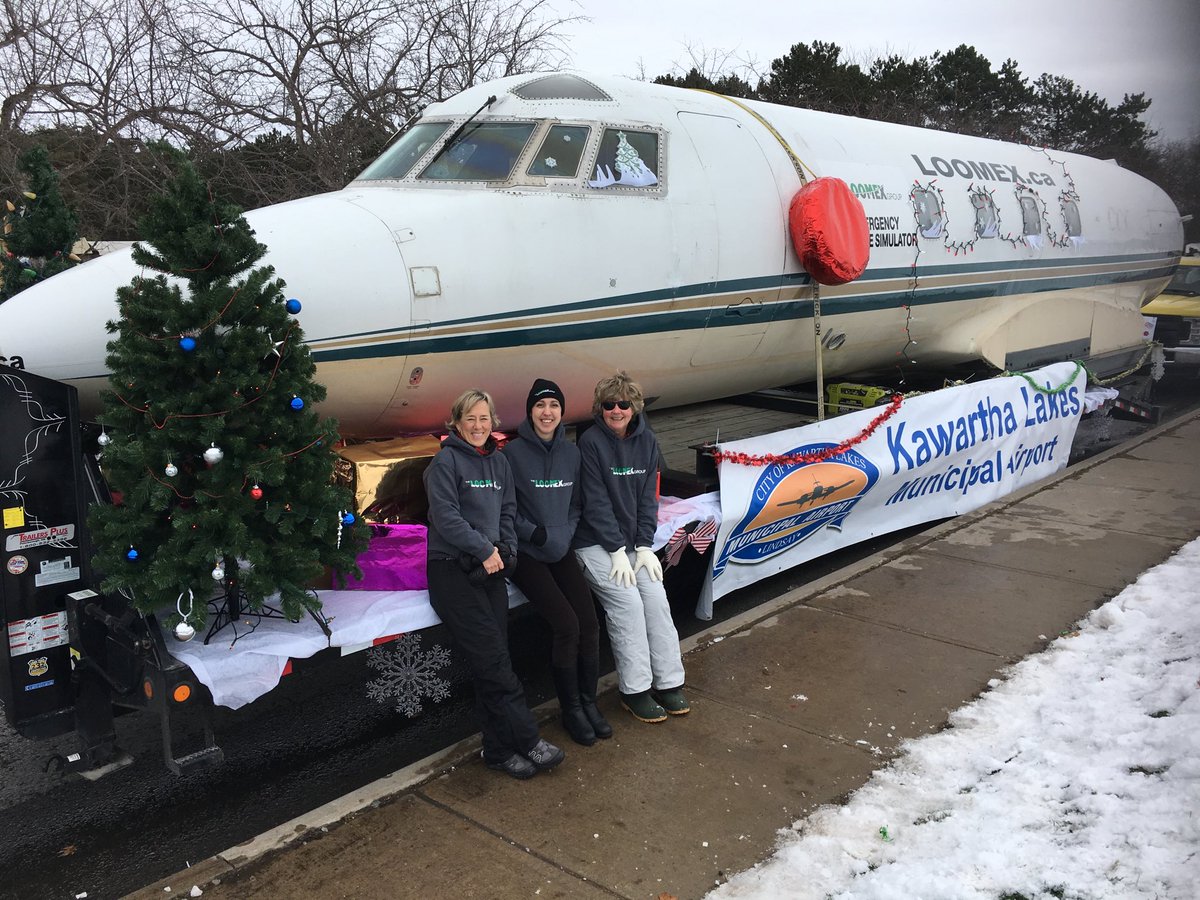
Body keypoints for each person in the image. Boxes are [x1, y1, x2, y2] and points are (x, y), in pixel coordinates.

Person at [423, 388, 565, 779]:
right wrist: (485, 549)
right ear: (456, 422)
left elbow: (508, 510)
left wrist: (506, 549)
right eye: (470, 418)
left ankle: (499, 750)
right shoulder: (445, 462)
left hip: (490, 566)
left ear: (493, 422)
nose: (478, 425)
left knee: (494, 659)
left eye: (484, 418)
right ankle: (528, 739)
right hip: (452, 569)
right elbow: (445, 517)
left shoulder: (499, 463)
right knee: (495, 661)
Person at [573, 372, 689, 723]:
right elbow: (595, 503)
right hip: (595, 541)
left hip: (631, 544)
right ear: (600, 409)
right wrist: (615, 550)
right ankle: (635, 689)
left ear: (634, 407)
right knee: (628, 604)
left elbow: (646, 500)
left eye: (623, 404)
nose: (616, 410)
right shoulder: (590, 442)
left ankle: (668, 681)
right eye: (609, 405)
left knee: (656, 600)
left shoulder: (647, 442)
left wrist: (642, 546)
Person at [503, 378, 613, 746]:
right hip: (528, 551)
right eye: (540, 406)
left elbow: (578, 504)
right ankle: (570, 710)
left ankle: (587, 701)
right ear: (530, 412)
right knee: (566, 624)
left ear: (562, 413)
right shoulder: (511, 455)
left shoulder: (572, 454)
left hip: (560, 545)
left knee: (589, 621)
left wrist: (564, 533)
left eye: (553, 406)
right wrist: (534, 534)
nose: (546, 413)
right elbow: (505, 510)